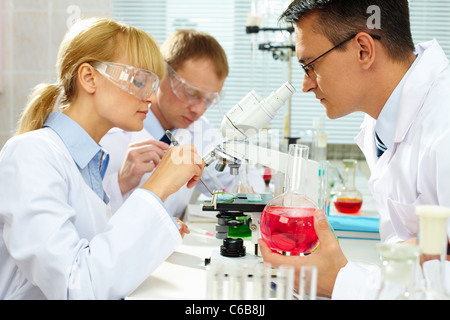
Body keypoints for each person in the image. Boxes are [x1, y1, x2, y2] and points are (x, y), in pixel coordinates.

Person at [0, 18, 204, 300]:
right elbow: (76, 288)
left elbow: (102, 260)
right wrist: (158, 186)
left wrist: (152, 231)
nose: (151, 97)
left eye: (153, 84)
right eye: (138, 81)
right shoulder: (31, 154)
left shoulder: (91, 162)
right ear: (89, 78)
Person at [259, 0, 450, 299]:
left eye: (310, 65)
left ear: (363, 49)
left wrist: (342, 282)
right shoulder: (381, 118)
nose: (306, 85)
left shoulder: (444, 125)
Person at [100, 29, 265, 217]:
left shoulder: (199, 131)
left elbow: (245, 178)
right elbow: (84, 218)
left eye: (209, 100)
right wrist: (120, 183)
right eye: (192, 93)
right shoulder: (111, 131)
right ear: (161, 74)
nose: (199, 110)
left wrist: (244, 191)